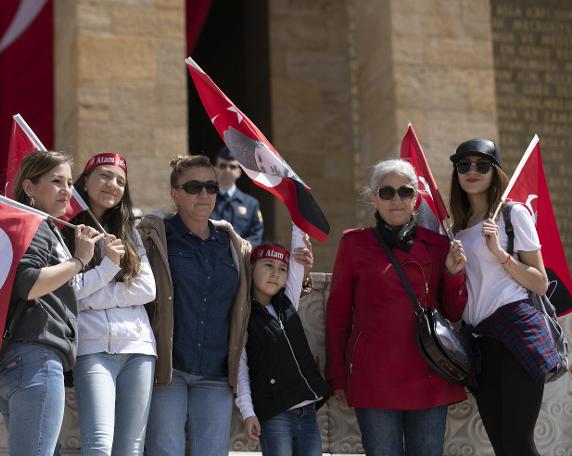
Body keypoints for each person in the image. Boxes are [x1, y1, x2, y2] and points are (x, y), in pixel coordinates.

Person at [326, 159, 468, 456]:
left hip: (429, 374)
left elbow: (453, 313)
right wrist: (337, 376)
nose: (396, 200)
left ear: (416, 198)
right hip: (373, 377)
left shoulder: (438, 246)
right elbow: (338, 316)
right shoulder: (354, 244)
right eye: (387, 192)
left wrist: (455, 275)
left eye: (405, 192)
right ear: (373, 197)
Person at [449, 139, 559, 456]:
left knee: (518, 444)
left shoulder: (513, 214)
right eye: (464, 165)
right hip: (479, 342)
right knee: (501, 445)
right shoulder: (456, 230)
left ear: (495, 172)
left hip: (517, 334)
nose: (472, 171)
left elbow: (540, 283)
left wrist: (499, 253)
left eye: (482, 165)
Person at [0, 151, 101, 456]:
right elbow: (30, 283)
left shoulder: (32, 225)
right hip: (34, 358)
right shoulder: (34, 224)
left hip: (15, 360)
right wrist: (79, 260)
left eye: (68, 182)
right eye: (56, 182)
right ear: (29, 187)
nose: (67, 190)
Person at [138, 154, 252, 456]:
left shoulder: (233, 242)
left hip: (216, 371)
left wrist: (301, 273)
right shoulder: (155, 237)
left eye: (211, 187)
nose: (204, 194)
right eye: (193, 187)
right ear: (175, 193)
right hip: (169, 369)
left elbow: (267, 282)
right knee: (165, 451)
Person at [65, 152, 156, 455]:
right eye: (104, 175)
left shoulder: (129, 229)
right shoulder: (65, 229)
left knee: (131, 449)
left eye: (120, 180)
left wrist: (92, 297)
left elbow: (147, 289)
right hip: (92, 349)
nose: (112, 184)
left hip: (139, 348)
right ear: (85, 182)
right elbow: (66, 292)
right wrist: (108, 271)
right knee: (99, 445)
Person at [236, 228, 330, 456]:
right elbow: (240, 369)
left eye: (282, 269)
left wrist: (299, 223)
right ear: (251, 268)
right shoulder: (243, 317)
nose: (275, 273)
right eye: (268, 265)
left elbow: (298, 253)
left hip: (307, 412)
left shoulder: (287, 303)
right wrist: (248, 413)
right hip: (275, 414)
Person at [211, 146, 264, 247]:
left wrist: (239, 247)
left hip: (241, 258)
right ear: (215, 170)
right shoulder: (205, 199)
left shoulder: (251, 204)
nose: (227, 170)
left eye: (232, 166)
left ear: (239, 172)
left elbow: (256, 236)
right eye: (222, 166)